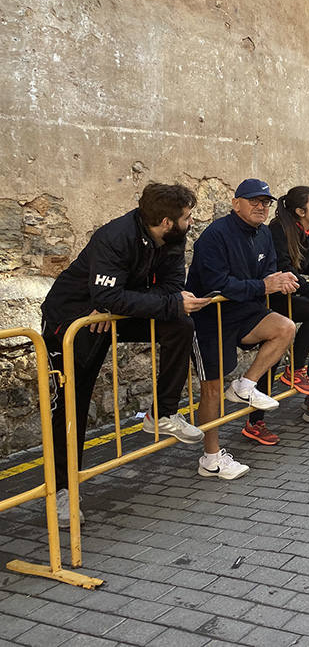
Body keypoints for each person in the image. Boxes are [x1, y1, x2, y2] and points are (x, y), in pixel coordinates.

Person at [41, 183, 212, 526]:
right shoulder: (115, 235)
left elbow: (170, 289)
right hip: (73, 320)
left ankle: (162, 414)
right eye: (187, 216)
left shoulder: (173, 240)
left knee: (179, 323)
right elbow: (110, 294)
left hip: (112, 315)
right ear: (167, 221)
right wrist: (111, 303)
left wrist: (119, 304)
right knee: (71, 407)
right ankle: (62, 492)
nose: (191, 221)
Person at [188, 179, 299, 480]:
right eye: (254, 201)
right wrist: (264, 285)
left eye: (266, 202)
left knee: (284, 328)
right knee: (211, 389)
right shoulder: (215, 235)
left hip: (244, 310)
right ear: (236, 203)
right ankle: (211, 457)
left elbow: (269, 272)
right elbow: (215, 284)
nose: (261, 206)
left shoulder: (263, 233)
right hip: (210, 319)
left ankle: (245, 385)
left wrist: (282, 280)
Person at [264, 186, 309, 430]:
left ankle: (295, 369)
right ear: (299, 210)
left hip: (286, 297)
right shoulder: (279, 230)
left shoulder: (308, 231)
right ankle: (256, 421)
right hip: (270, 299)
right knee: (269, 360)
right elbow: (286, 269)